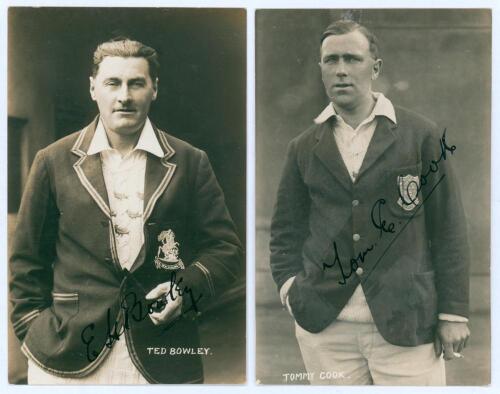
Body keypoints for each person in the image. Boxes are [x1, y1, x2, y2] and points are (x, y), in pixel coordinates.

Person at [9, 38, 243, 384]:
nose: (124, 96)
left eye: (136, 83)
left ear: (154, 89)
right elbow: (27, 260)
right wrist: (33, 329)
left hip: (161, 354)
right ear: (93, 89)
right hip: (69, 354)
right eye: (112, 83)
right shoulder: (52, 161)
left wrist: (185, 288)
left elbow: (226, 250)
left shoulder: (190, 161)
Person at [269, 20, 470, 385]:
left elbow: (449, 227)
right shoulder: (303, 146)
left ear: (375, 68)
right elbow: (286, 230)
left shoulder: (420, 135)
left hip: (407, 323)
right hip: (325, 327)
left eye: (352, 58)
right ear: (320, 69)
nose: (341, 70)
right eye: (330, 60)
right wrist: (290, 290)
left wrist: (453, 314)